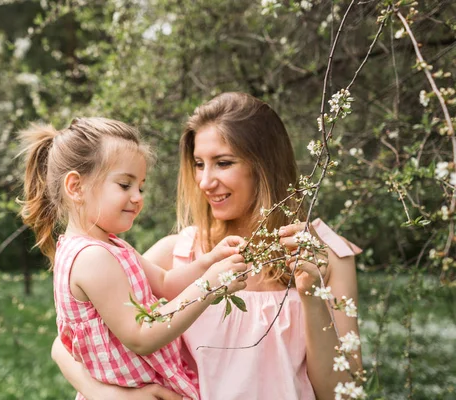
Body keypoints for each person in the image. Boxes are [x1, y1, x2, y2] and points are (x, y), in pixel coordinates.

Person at [51, 93, 363, 400]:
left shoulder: (326, 253)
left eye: (223, 163)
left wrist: (311, 296)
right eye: (199, 164)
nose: (205, 181)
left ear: (265, 165)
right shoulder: (176, 252)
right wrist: (107, 395)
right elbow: (68, 343)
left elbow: (343, 395)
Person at [18, 117, 249, 400]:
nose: (137, 197)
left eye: (140, 187)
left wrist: (208, 262)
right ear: (76, 187)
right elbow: (141, 336)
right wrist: (208, 287)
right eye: (125, 185)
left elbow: (164, 283)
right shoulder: (92, 258)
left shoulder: (112, 246)